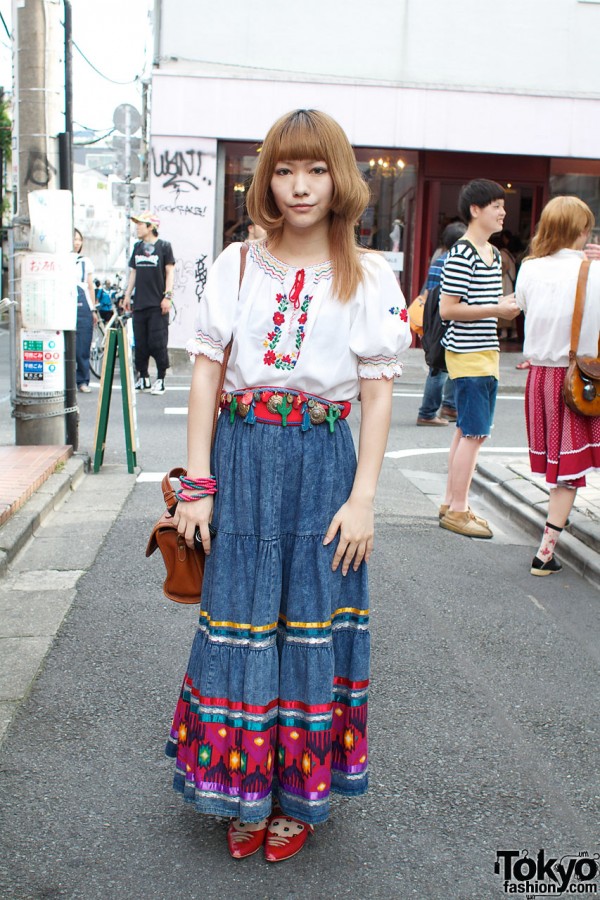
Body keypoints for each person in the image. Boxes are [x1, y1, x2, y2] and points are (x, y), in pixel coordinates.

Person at [166, 109, 411, 863]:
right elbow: (207, 374)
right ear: (265, 178)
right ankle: (241, 787)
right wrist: (198, 485)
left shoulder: (370, 274)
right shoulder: (237, 264)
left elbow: (376, 394)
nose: (299, 186)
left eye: (314, 169)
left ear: (340, 178)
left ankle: (297, 795)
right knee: (237, 619)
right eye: (283, 169)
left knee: (312, 620)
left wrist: (364, 496)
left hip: (321, 467)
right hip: (239, 462)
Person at [515, 196, 600, 575]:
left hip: (543, 378)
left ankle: (546, 552)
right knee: (569, 471)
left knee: (563, 467)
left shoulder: (529, 268)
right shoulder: (592, 271)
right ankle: (544, 554)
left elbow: (522, 307)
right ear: (582, 231)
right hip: (581, 377)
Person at [438, 179, 520, 538]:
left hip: (483, 352)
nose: (502, 212)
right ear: (475, 209)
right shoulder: (463, 253)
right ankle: (458, 511)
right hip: (468, 354)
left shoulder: (488, 252)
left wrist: (501, 309)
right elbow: (447, 310)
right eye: (495, 206)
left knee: (466, 432)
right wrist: (498, 308)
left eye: (503, 206)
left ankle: (452, 503)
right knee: (474, 433)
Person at [416, 221, 466, 425]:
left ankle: (449, 407)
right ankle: (427, 412)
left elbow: (427, 292)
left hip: (433, 316)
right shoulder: (454, 262)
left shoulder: (439, 260)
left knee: (447, 364)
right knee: (439, 367)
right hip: (445, 318)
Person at [122, 212, 175, 395]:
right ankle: (143, 377)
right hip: (140, 304)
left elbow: (170, 272)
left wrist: (167, 296)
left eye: (140, 224)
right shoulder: (137, 247)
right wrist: (127, 295)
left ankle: (160, 378)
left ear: (151, 227)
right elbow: (133, 274)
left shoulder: (164, 247)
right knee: (141, 343)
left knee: (157, 342)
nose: (137, 227)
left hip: (157, 305)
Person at [73, 228, 96, 393]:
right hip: (64, 303)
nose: (76, 242)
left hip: (83, 306)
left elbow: (90, 286)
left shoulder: (85, 261)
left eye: (78, 239)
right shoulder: (60, 260)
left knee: (83, 345)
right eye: (73, 239)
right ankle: (64, 381)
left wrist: (93, 309)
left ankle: (82, 381)